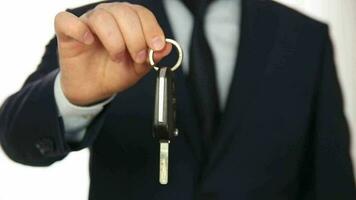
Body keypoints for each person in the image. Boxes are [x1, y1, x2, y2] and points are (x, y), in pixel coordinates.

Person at [0, 0, 355, 199]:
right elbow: (15, 138)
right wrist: (71, 97)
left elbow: (332, 184)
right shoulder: (91, 30)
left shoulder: (306, 40)